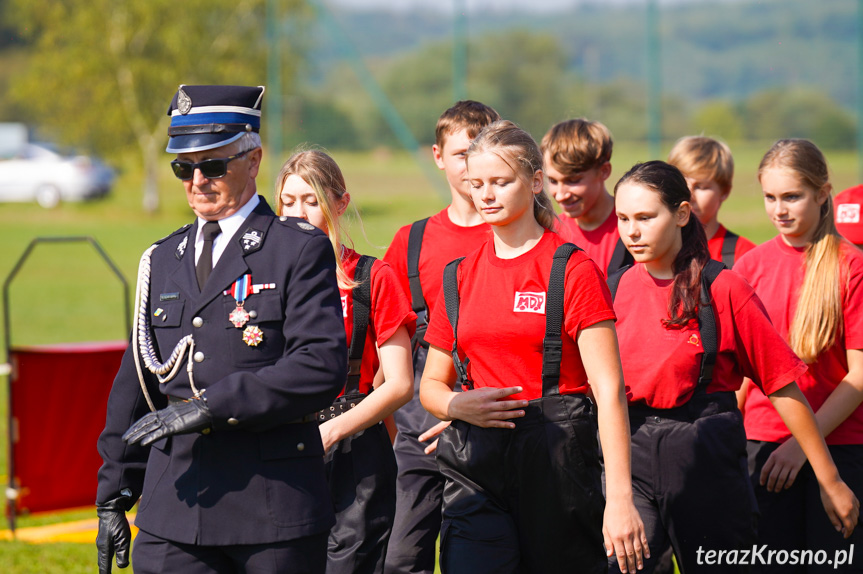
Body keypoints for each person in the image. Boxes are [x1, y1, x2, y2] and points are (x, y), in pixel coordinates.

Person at [95, 85, 347, 574]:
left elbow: (319, 366)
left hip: (271, 506)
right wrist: (114, 493)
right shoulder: (162, 258)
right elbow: (137, 385)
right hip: (176, 506)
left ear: (252, 160)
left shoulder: (295, 249)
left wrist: (212, 406)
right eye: (182, 168)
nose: (196, 180)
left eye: (213, 166)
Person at [420, 120, 648, 574]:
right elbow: (430, 385)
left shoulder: (572, 269)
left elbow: (609, 390)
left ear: (535, 182)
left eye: (501, 183)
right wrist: (456, 405)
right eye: (476, 183)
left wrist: (619, 498)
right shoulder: (457, 275)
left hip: (558, 459)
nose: (486, 195)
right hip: (475, 468)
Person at [610, 159, 859, 574]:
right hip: (629, 457)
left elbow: (782, 385)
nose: (631, 231)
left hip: (704, 455)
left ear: (682, 214)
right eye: (622, 218)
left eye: (645, 217)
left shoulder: (722, 287)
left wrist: (828, 478)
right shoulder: (613, 287)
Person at [276, 149, 415, 574]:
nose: (298, 213)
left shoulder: (374, 277)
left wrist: (333, 430)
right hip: (279, 444)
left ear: (340, 203)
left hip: (354, 447)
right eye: (288, 200)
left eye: (312, 200)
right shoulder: (260, 281)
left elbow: (399, 383)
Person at [735, 139, 863, 573]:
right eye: (770, 197)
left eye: (792, 196)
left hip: (841, 445)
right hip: (764, 446)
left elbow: (859, 377)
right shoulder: (749, 267)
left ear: (823, 192)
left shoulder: (851, 266)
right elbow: (740, 375)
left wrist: (801, 446)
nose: (779, 209)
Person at [383, 100, 499, 574]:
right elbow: (386, 350)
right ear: (437, 156)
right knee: (401, 560)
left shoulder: (517, 239)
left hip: (493, 428)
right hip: (417, 434)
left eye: (482, 153)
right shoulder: (410, 243)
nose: (470, 165)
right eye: (460, 154)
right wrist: (402, 429)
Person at [541, 118, 631, 277]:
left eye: (573, 181)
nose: (561, 195)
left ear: (604, 171)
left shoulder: (633, 231)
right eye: (553, 181)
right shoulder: (549, 232)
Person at [667, 135, 756, 267]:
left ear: (724, 191)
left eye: (701, 187)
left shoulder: (745, 256)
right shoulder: (647, 248)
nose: (689, 195)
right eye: (682, 184)